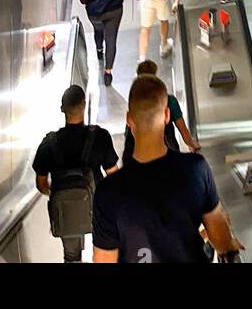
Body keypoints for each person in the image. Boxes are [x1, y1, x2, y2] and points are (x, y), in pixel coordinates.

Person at [93, 75, 240, 264]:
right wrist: (229, 245)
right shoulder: (195, 169)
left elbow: (104, 260)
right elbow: (220, 238)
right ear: (167, 116)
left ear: (129, 120)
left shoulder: (108, 192)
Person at [32, 85, 119, 263]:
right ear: (84, 105)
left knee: (71, 257)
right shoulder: (100, 136)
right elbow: (114, 176)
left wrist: (59, 193)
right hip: (98, 208)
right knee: (104, 252)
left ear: (62, 109)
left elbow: (41, 184)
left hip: (66, 210)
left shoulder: (49, 144)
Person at [120, 60, 199, 158]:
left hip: (140, 157)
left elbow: (128, 134)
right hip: (168, 153)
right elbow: (183, 129)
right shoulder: (169, 101)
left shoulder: (135, 102)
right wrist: (192, 145)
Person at [79, 0, 128, 89]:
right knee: (111, 39)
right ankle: (108, 73)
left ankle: (99, 51)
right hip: (114, 11)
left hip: (95, 14)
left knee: (98, 30)